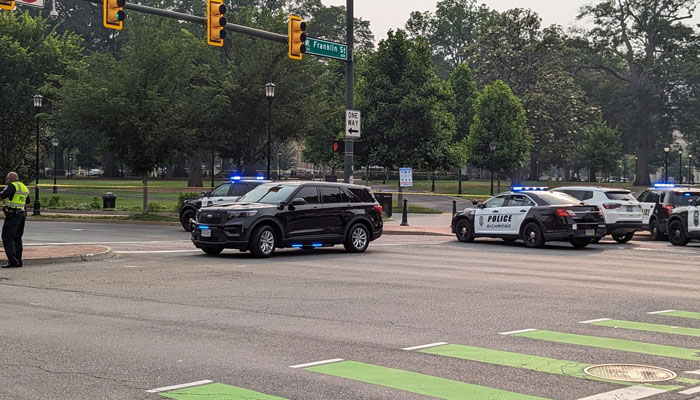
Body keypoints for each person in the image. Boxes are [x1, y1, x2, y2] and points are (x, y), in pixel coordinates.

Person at [1, 172, 29, 268]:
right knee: (17, 238)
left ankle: (12, 261)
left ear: (9, 179)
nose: (6, 181)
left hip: (13, 215)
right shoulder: (24, 187)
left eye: (7, 179)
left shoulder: (11, 186)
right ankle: (18, 260)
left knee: (7, 237)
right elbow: (27, 202)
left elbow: (2, 196)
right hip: (22, 214)